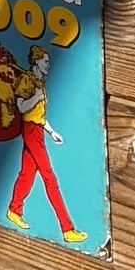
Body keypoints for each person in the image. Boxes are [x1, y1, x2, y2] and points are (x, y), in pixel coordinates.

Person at [6, 42, 84, 242]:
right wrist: (36, 97)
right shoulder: (27, 81)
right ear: (36, 61)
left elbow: (38, 115)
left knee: (27, 174)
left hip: (38, 130)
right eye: (46, 61)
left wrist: (51, 132)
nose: (49, 64)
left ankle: (14, 210)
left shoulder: (39, 84)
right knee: (50, 178)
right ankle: (67, 229)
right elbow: (22, 108)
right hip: (31, 131)